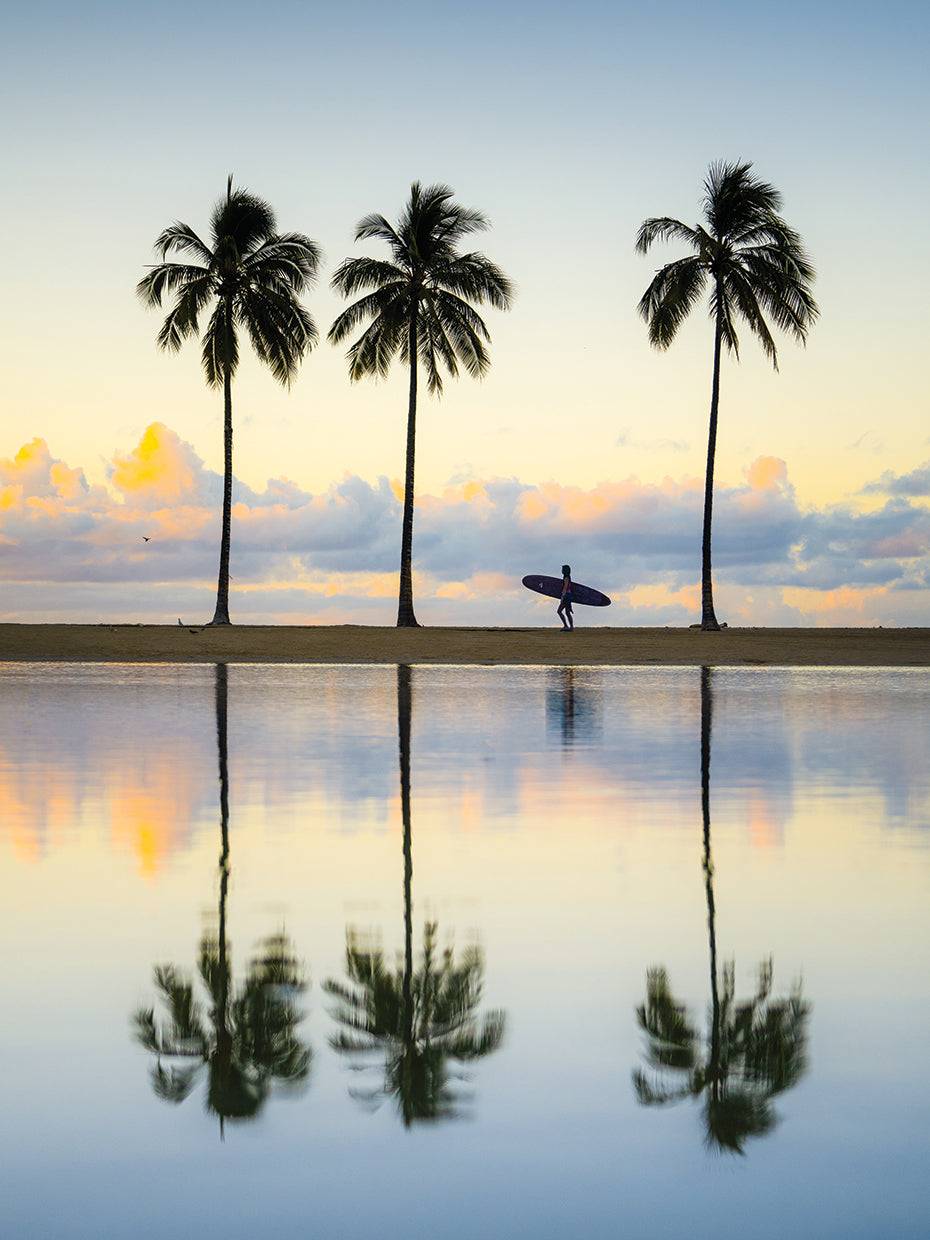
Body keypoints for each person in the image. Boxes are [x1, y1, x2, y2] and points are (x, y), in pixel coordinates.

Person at [557, 564, 574, 631]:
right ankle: (571, 627)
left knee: (559, 611)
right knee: (567, 612)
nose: (561, 571)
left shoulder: (566, 577)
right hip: (569, 596)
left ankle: (566, 626)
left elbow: (565, 587)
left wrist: (562, 596)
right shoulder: (568, 577)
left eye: (562, 569)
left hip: (566, 596)